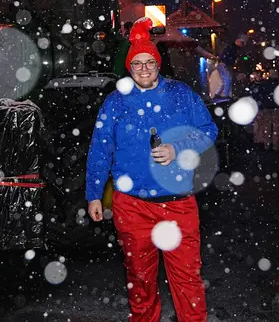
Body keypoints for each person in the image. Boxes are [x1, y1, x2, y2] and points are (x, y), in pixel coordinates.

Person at [86, 17, 218, 322]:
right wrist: (94, 194)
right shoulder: (116, 102)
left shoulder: (181, 94)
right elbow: (100, 150)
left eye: (149, 62)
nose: (143, 69)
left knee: (187, 280)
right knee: (140, 279)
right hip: (132, 207)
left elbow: (208, 130)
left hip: (179, 204)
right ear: (129, 68)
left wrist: (177, 148)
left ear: (158, 64)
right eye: (137, 63)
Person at [213, 35, 247, 99]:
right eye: (242, 43)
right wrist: (226, 62)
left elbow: (226, 55)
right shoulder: (232, 48)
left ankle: (218, 94)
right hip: (223, 64)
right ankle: (225, 95)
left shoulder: (232, 48)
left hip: (222, 64)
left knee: (225, 80)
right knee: (227, 79)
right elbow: (227, 56)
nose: (242, 45)